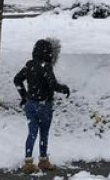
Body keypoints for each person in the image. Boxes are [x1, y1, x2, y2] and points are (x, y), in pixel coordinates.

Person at [14, 38, 71, 172]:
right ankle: (43, 160)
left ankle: (28, 162)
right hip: (45, 105)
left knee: (32, 132)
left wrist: (24, 96)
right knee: (43, 133)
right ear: (48, 53)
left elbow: (17, 80)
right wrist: (64, 89)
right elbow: (53, 85)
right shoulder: (46, 67)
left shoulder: (29, 66)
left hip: (30, 105)